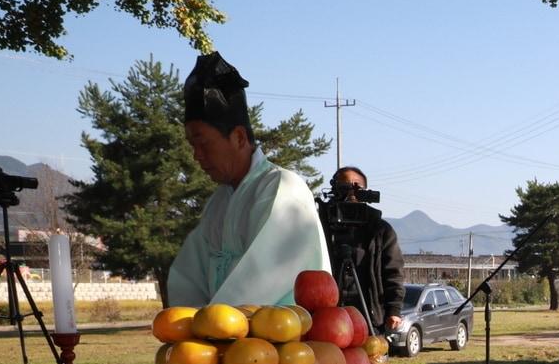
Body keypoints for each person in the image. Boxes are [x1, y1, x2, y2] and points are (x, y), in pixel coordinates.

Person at [167, 52, 329, 307]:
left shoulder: (282, 188)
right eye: (191, 145)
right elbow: (189, 279)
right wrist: (188, 323)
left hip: (283, 341)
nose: (196, 156)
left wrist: (211, 325)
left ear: (239, 137)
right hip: (225, 338)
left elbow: (263, 279)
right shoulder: (219, 202)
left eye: (203, 143)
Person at [320, 166, 406, 333]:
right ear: (333, 189)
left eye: (356, 187)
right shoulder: (320, 224)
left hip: (368, 317)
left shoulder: (380, 230)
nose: (350, 193)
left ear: (365, 192)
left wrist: (394, 310)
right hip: (327, 316)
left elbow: (393, 272)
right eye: (344, 187)